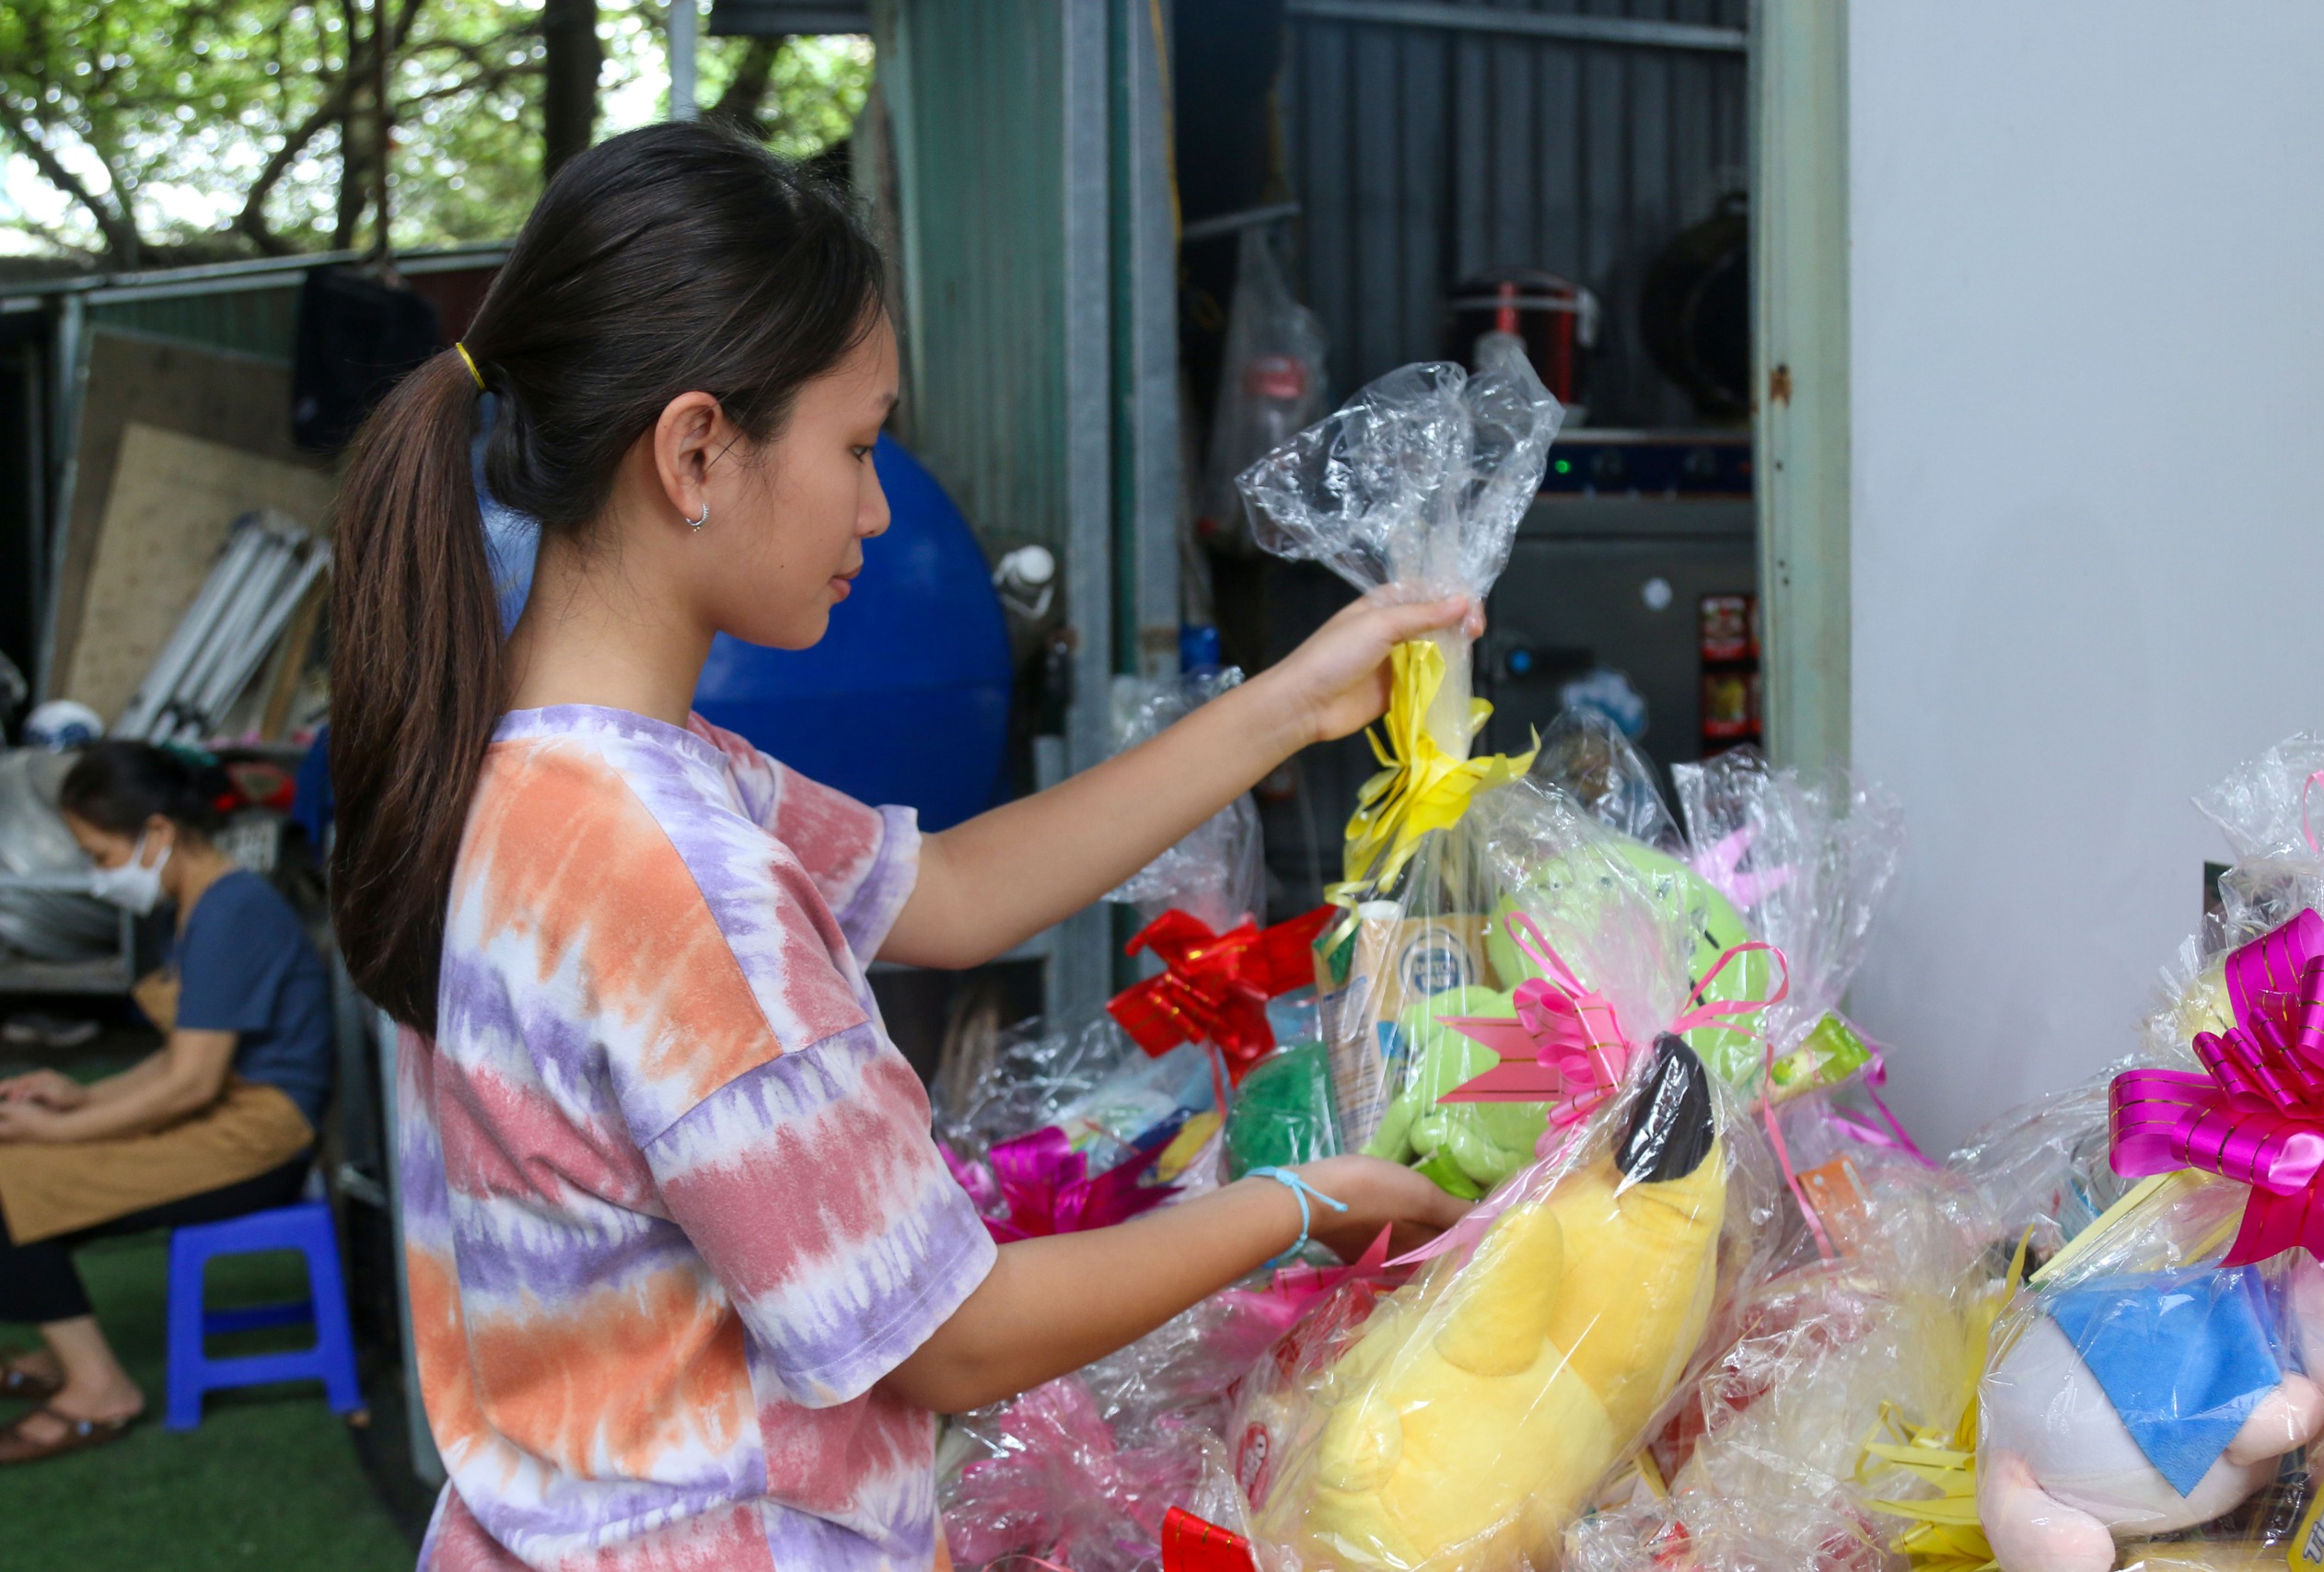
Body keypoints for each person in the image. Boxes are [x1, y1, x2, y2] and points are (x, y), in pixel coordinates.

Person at [329, 121, 1471, 1572]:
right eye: (858, 444)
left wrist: (1293, 700)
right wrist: (1304, 1200)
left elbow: (957, 889)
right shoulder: (672, 870)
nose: (879, 506)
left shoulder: (540, 775)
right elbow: (949, 1335)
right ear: (695, 450)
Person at [0, 741, 332, 1463]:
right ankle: (66, 1360)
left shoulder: (230, 910)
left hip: (259, 1139)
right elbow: (180, 1057)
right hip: (226, 1115)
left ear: (156, 833)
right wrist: (76, 1096)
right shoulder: (196, 907)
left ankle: (97, 1388)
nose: (98, 878)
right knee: (12, 1155)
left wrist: (59, 1133)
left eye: (98, 854)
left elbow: (191, 1084)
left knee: (7, 1179)